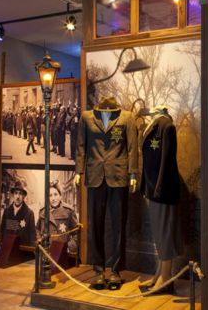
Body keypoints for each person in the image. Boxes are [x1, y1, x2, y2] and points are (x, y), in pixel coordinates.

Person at [74, 96, 137, 290]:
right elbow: (81, 145)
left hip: (118, 176)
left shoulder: (127, 118)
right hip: (94, 176)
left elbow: (133, 147)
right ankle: (99, 270)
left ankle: (116, 271)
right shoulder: (87, 117)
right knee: (96, 225)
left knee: (118, 224)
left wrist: (133, 172)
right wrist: (79, 171)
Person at [139, 105, 182, 295]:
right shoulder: (155, 126)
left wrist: (159, 187)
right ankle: (160, 275)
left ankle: (166, 280)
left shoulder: (167, 126)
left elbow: (167, 160)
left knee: (164, 235)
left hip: (162, 191)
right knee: (159, 234)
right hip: (153, 189)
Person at [36, 181, 79, 254]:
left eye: (55, 194)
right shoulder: (42, 211)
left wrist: (68, 247)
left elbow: (77, 233)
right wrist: (40, 241)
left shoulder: (68, 211)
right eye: (50, 195)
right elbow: (37, 229)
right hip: (46, 253)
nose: (53, 198)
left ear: (60, 196)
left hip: (62, 254)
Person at [0, 181, 36, 246]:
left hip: (22, 249)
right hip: (9, 247)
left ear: (24, 196)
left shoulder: (29, 213)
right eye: (16, 193)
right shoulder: (7, 211)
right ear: (13, 195)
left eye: (20, 194)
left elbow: (32, 236)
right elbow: (3, 231)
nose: (18, 197)